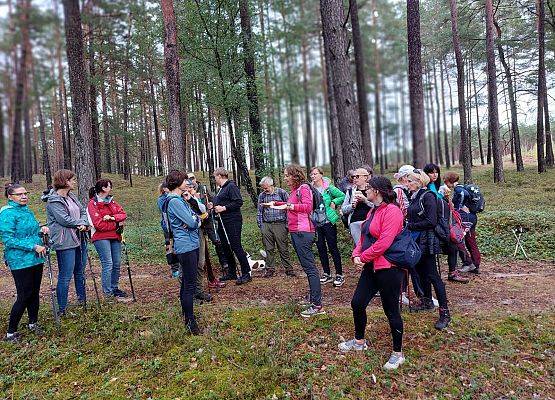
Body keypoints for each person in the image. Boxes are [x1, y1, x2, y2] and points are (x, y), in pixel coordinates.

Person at [339, 177, 406, 370]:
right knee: (357, 303)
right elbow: (364, 236)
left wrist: (364, 257)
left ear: (376, 191)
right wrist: (356, 255)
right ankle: (359, 342)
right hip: (371, 267)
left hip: (388, 268)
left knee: (391, 310)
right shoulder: (372, 211)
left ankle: (397, 353)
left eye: (368, 188)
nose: (364, 190)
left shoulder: (393, 211)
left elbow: (384, 243)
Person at [272, 164, 324, 318]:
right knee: (308, 267)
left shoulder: (304, 188)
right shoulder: (295, 191)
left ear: (295, 175)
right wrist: (276, 204)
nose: (285, 178)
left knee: (310, 268)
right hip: (296, 231)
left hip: (303, 232)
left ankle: (317, 305)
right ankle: (313, 299)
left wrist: (287, 205)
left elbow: (307, 207)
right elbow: (293, 205)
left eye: (287, 175)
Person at [0, 184, 48, 342]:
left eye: (25, 193)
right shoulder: (7, 213)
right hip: (19, 260)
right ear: (10, 196)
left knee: (34, 292)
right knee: (24, 294)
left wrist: (41, 231)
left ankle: (33, 323)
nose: (24, 196)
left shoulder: (26, 210)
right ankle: (10, 333)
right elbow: (8, 239)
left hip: (36, 257)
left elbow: (30, 231)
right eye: (19, 194)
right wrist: (33, 246)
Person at [405, 169, 451, 330]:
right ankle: (427, 301)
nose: (407, 183)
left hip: (427, 240)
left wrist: (410, 225)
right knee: (420, 271)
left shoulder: (428, 196)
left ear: (419, 182)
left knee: (432, 275)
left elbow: (431, 221)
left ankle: (445, 313)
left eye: (410, 181)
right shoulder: (415, 196)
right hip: (417, 240)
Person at [42, 169, 89, 316]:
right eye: (72, 179)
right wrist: (79, 224)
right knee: (65, 275)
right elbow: (64, 220)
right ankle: (62, 308)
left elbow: (82, 211)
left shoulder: (72, 196)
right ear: (65, 181)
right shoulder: (54, 200)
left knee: (79, 271)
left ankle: (82, 300)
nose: (74, 182)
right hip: (65, 241)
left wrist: (83, 223)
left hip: (79, 238)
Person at [165, 170, 202, 335]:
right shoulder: (175, 202)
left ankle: (187, 316)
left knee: (187, 282)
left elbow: (196, 217)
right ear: (177, 183)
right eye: (184, 180)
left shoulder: (179, 200)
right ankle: (190, 322)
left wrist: (195, 220)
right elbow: (192, 222)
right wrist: (195, 220)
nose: (187, 182)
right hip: (186, 246)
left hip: (189, 244)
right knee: (189, 285)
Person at [87, 179, 128, 298]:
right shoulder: (92, 204)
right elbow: (98, 225)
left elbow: (123, 214)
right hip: (100, 238)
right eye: (109, 186)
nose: (111, 188)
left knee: (117, 263)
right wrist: (116, 224)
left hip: (115, 236)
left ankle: (114, 288)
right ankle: (107, 292)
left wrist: (112, 218)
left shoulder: (112, 202)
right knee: (108, 263)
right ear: (103, 188)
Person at [210, 167, 252, 285]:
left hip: (233, 221)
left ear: (220, 176)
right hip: (222, 222)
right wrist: (213, 206)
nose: (214, 179)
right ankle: (232, 272)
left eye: (215, 177)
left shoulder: (231, 186)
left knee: (235, 246)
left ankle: (246, 273)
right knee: (225, 246)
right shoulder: (221, 189)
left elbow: (238, 202)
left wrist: (224, 208)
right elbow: (220, 202)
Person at [310, 167, 346, 286]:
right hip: (316, 222)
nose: (313, 176)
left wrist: (334, 202)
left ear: (321, 175)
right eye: (312, 174)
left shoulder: (329, 188)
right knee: (321, 248)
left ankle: (339, 274)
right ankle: (327, 273)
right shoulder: (310, 189)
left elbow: (342, 196)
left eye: (315, 174)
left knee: (333, 248)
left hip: (328, 222)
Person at [444, 171, 481, 274]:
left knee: (457, 239)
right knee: (470, 240)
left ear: (449, 181)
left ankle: (468, 263)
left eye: (446, 181)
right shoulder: (463, 187)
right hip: (472, 217)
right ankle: (475, 264)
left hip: (465, 218)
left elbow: (462, 196)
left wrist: (458, 208)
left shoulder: (459, 189)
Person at [257, 176, 295, 278]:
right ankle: (270, 268)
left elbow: (289, 207)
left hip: (280, 224)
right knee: (268, 248)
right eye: (263, 188)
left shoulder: (281, 193)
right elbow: (259, 211)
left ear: (271, 185)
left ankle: (288, 269)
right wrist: (261, 225)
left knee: (283, 247)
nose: (265, 190)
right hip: (267, 224)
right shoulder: (262, 195)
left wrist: (287, 224)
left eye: (266, 188)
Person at [341, 167, 373, 245]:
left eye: (357, 176)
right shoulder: (350, 191)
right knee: (360, 247)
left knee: (370, 246)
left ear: (365, 177)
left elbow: (378, 206)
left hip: (371, 222)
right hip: (354, 223)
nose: (355, 178)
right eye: (353, 177)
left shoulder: (372, 189)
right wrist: (352, 206)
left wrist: (365, 200)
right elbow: (343, 209)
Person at [157, 182, 181, 279]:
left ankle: (180, 267)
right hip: (167, 227)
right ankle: (174, 269)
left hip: (175, 226)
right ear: (164, 189)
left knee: (177, 245)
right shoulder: (162, 199)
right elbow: (165, 210)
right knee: (170, 247)